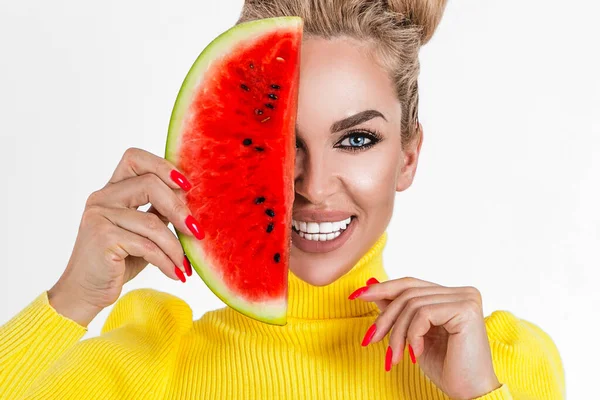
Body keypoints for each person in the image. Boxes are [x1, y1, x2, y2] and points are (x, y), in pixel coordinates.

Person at [0, 0, 565, 399]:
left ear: (409, 156)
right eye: (278, 144)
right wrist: (70, 299)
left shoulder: (501, 363)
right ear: (232, 156)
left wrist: (478, 397)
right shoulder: (156, 359)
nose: (314, 187)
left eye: (356, 139)